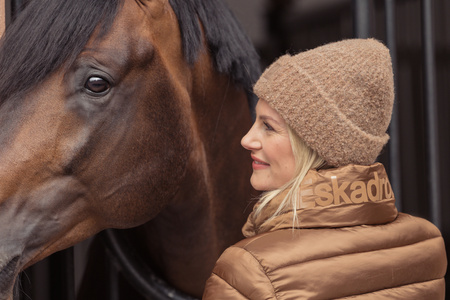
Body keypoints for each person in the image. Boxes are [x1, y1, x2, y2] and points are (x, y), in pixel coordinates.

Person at [202, 38, 447, 299]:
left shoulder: (249, 272)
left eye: (269, 126)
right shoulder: (424, 244)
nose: (246, 139)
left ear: (316, 146)